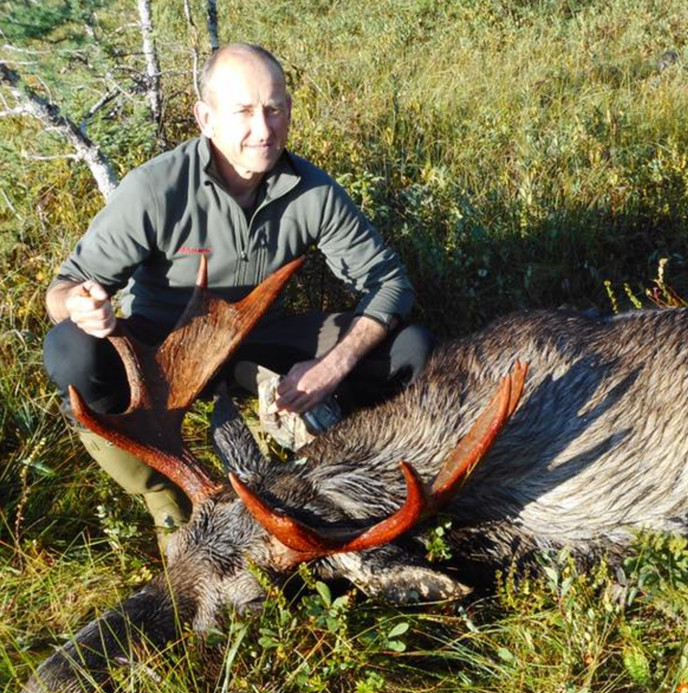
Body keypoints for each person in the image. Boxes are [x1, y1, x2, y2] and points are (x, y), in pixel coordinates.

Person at [42, 43, 433, 553]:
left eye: (274, 108)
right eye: (244, 111)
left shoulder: (311, 191)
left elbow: (390, 283)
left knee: (411, 348)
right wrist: (80, 305)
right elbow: (63, 287)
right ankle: (162, 494)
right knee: (70, 351)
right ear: (205, 117)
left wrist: (331, 367)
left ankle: (347, 469)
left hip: (254, 339)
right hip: (161, 347)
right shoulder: (156, 190)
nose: (264, 129)